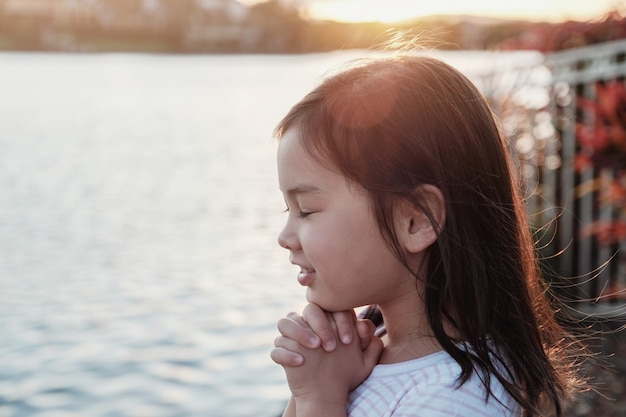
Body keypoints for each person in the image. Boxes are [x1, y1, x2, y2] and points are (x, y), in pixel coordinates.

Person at [270, 53, 585, 417]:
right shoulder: (367, 346)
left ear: (417, 220)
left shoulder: (454, 400)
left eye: (306, 209)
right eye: (287, 210)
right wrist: (315, 379)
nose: (285, 236)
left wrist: (319, 398)